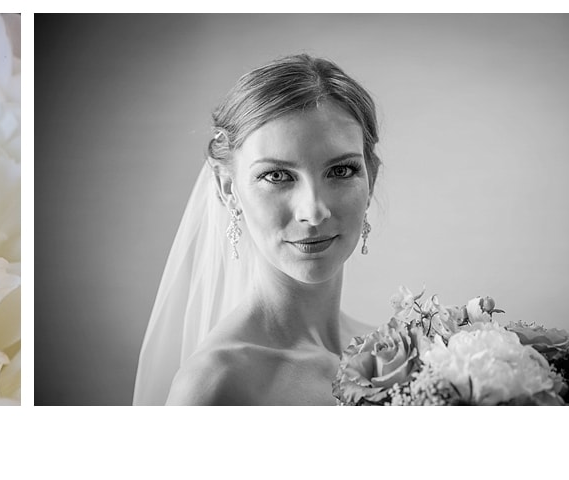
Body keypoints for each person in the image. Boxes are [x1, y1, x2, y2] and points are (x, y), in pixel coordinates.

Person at [133, 54, 382, 405]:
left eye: (341, 171)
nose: (313, 211)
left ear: (371, 180)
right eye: (277, 176)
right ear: (228, 189)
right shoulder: (214, 385)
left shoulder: (398, 350)